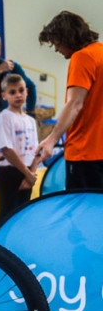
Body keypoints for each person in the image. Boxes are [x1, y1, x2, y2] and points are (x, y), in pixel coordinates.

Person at [35, 11, 103, 191]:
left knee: (82, 212)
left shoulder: (82, 57)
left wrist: (51, 139)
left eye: (56, 43)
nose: (56, 49)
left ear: (67, 37)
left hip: (85, 153)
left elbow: (75, 103)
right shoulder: (101, 53)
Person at [0, 74, 39, 220]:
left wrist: (31, 174)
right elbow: (6, 150)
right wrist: (27, 173)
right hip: (9, 172)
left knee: (23, 213)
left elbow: (36, 151)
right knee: (8, 213)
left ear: (26, 91)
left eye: (20, 91)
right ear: (4, 96)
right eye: (12, 92)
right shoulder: (4, 117)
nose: (18, 95)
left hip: (27, 173)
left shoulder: (31, 120)